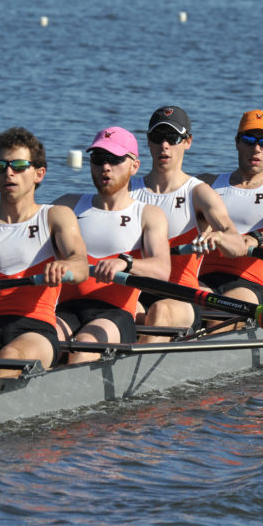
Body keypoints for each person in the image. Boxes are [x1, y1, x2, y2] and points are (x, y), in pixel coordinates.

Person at [0, 127, 89, 378]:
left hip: (37, 332)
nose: (9, 172)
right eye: (1, 166)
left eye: (19, 165)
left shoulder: (56, 216)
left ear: (39, 174)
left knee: (7, 360)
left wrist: (64, 267)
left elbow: (80, 265)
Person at [54, 126, 170, 363]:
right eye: (98, 159)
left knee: (83, 348)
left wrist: (124, 263)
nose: (105, 167)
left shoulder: (148, 214)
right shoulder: (66, 206)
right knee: (47, 340)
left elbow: (162, 270)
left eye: (115, 159)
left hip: (116, 313)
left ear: (134, 166)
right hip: (67, 310)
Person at [130, 106, 246, 342]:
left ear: (188, 142)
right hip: (134, 291)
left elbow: (238, 243)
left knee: (159, 312)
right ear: (149, 142)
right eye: (157, 138)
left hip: (182, 296)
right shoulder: (129, 191)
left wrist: (221, 238)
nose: (164, 145)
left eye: (172, 138)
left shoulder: (199, 194)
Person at [197, 110, 263, 304]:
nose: (256, 149)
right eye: (248, 140)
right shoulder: (207, 184)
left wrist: (254, 239)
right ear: (237, 142)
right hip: (203, 278)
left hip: (250, 282)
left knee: (219, 311)